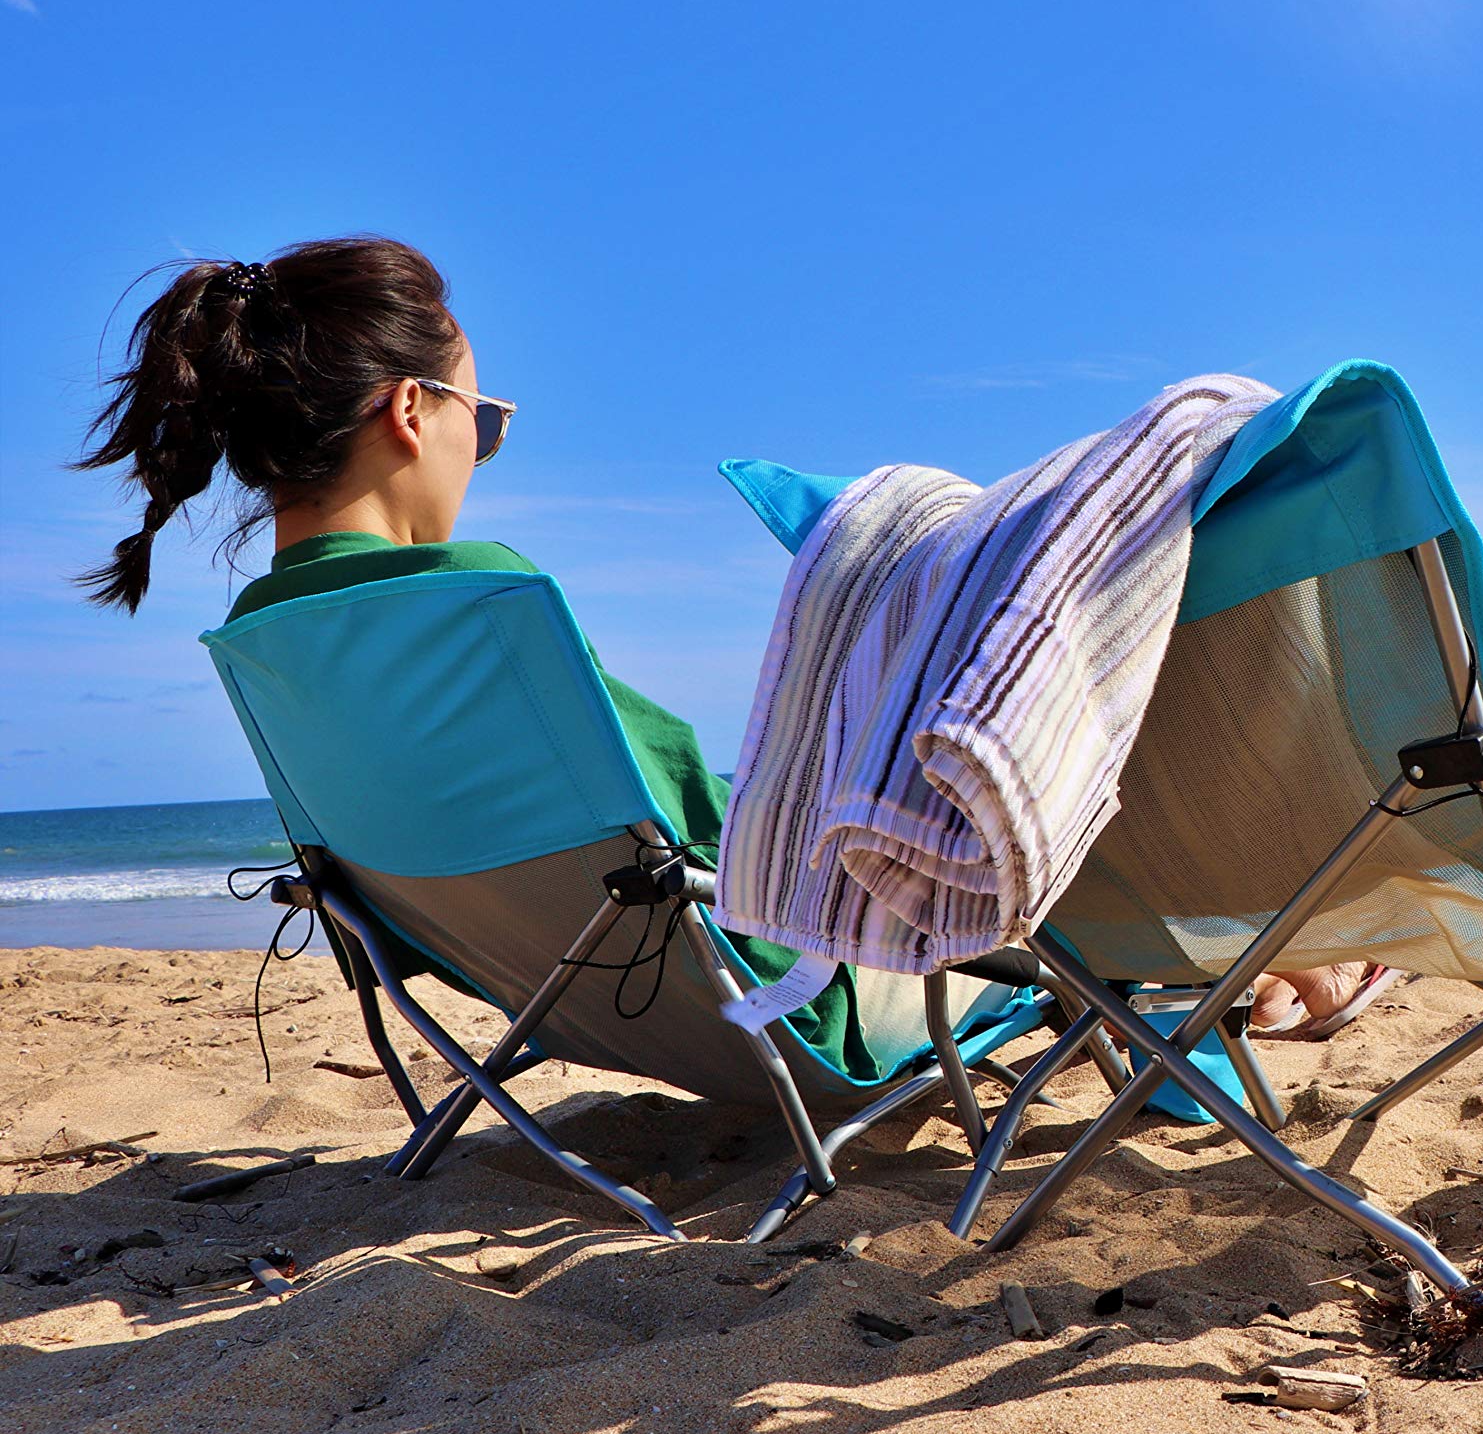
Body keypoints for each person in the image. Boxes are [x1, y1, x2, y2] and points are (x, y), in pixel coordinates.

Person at [81, 237, 1381, 1042]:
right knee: (1012, 804)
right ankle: (1279, 965)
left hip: (580, 1014)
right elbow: (731, 843)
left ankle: (1268, 978)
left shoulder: (265, 653)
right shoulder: (480, 607)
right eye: (488, 418)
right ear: (413, 413)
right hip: (794, 1005)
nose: (486, 450)